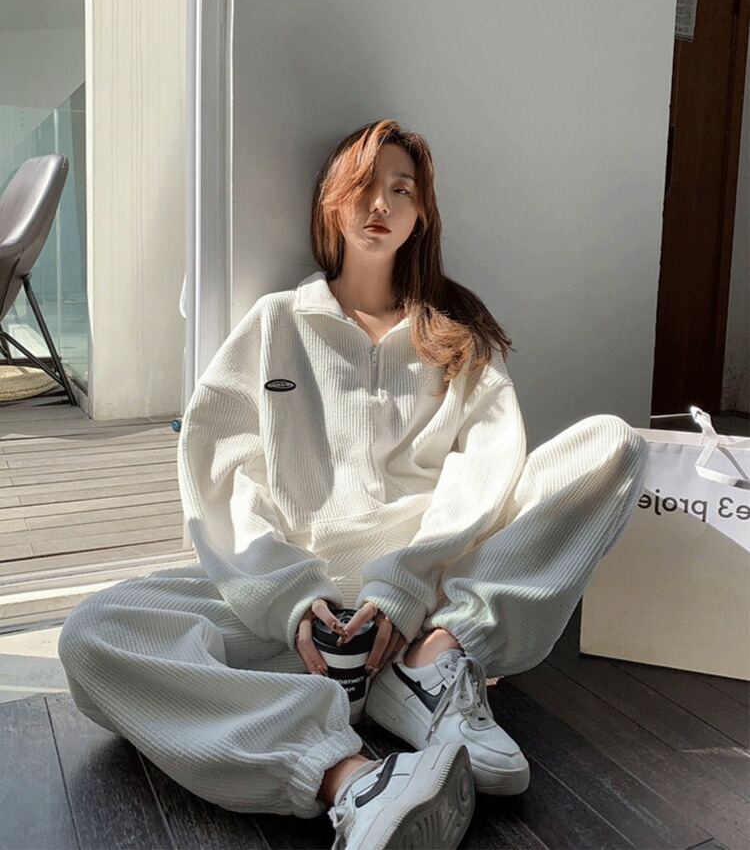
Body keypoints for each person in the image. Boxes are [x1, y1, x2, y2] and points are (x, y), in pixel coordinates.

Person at [57, 119, 648, 850]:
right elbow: (222, 467)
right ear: (330, 201)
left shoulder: (457, 336)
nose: (381, 203)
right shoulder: (276, 323)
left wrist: (406, 587)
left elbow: (486, 471)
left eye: (403, 189)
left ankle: (436, 665)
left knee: (612, 447)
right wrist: (288, 598)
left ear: (421, 215)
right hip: (300, 621)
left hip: (427, 600)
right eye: (365, 185)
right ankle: (353, 777)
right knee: (95, 632)